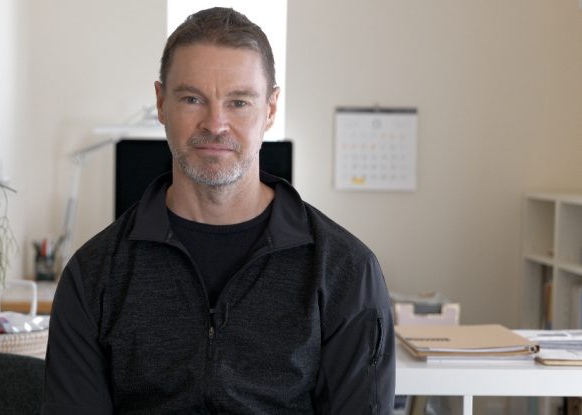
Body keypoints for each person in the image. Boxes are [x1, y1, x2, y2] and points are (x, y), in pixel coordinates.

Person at [42, 7, 395, 414]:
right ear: (161, 103)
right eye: (192, 99)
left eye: (238, 102)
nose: (215, 123)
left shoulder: (346, 271)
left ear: (270, 109)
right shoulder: (94, 275)